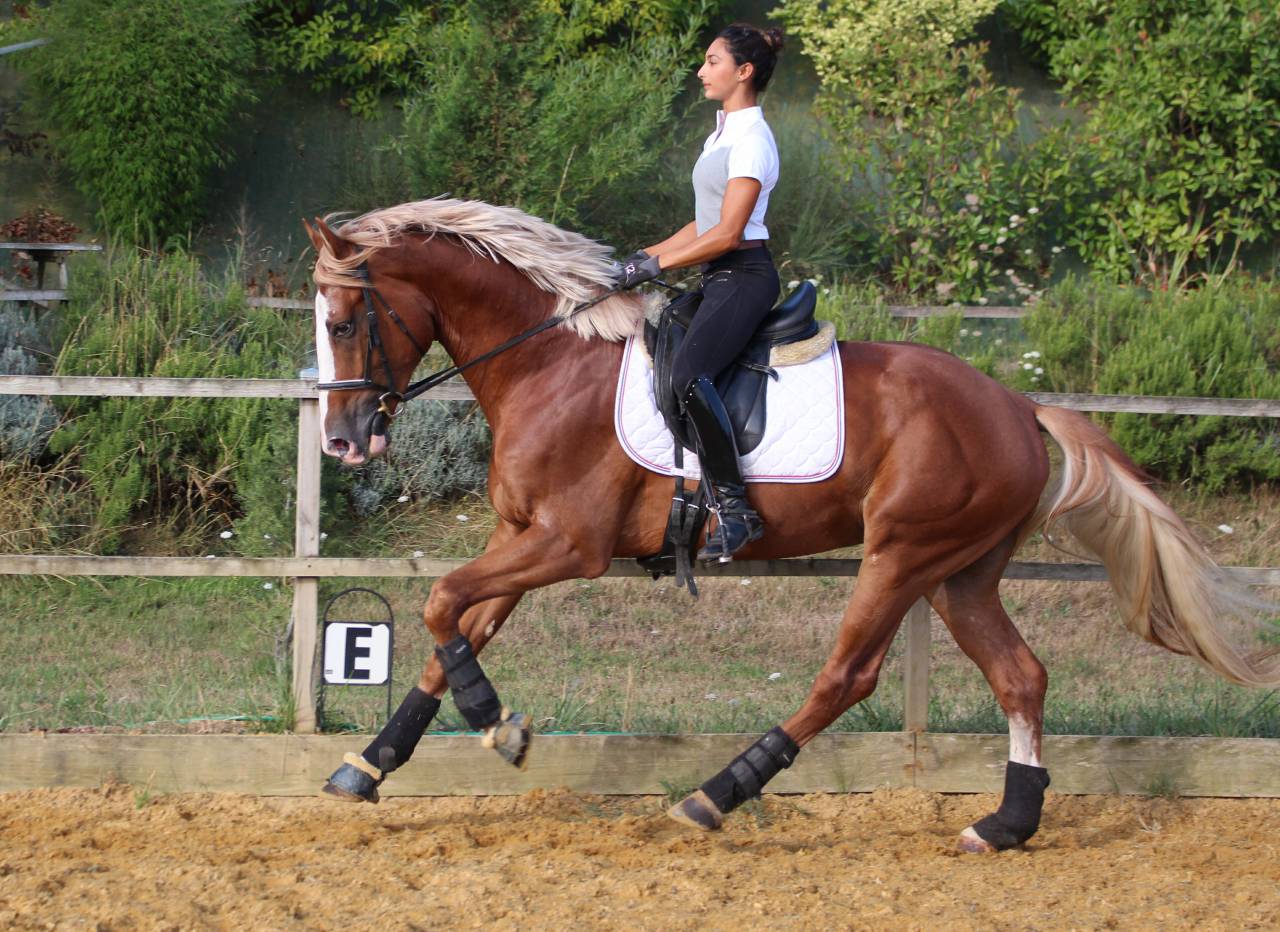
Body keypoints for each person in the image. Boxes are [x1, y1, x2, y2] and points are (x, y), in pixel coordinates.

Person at [614, 22, 785, 562]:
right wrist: (641, 259)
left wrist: (658, 263)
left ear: (744, 71)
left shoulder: (753, 139)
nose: (701, 71)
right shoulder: (721, 135)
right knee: (660, 356)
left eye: (712, 61)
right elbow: (701, 224)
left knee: (690, 374)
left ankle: (736, 511)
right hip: (718, 275)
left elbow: (729, 233)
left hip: (744, 275)